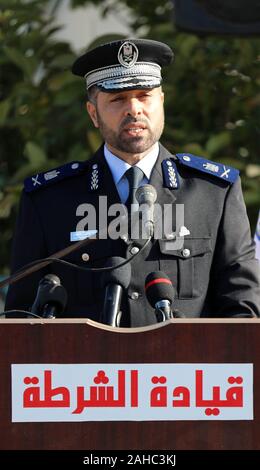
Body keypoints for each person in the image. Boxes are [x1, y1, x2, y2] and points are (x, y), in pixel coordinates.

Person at [5, 38, 260, 325]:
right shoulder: (48, 200)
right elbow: (21, 317)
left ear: (161, 102)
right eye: (117, 99)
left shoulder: (214, 193)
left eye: (144, 95)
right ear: (93, 114)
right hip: (87, 369)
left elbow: (243, 311)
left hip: (183, 368)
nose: (134, 109)